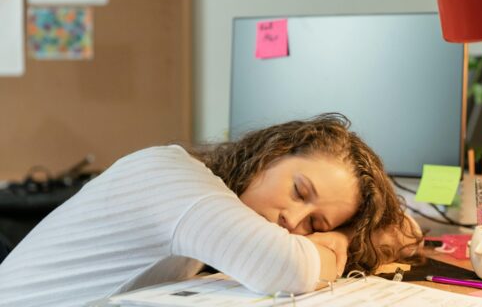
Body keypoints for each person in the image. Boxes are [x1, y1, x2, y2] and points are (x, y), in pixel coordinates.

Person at [0, 113, 421, 306]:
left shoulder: (206, 192)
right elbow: (286, 268)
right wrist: (342, 237)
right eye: (298, 190)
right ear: (272, 154)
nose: (292, 221)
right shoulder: (176, 179)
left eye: (315, 223)